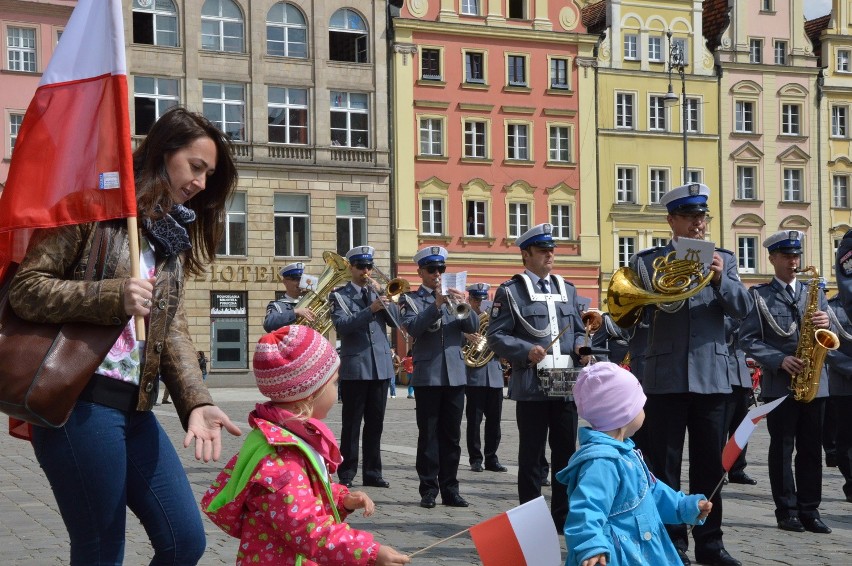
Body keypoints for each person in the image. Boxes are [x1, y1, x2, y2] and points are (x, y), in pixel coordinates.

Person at [7, 107, 243, 564]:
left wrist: (197, 401)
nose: (200, 183)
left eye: (208, 175)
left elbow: (170, 327)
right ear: (161, 153)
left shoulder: (169, 241)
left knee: (185, 540)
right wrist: (113, 295)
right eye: (195, 167)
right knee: (101, 548)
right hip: (78, 402)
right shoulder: (91, 208)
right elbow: (25, 290)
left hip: (135, 410)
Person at [202, 325, 410, 566]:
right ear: (310, 393)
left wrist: (341, 499)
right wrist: (368, 553)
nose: (337, 389)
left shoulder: (290, 437)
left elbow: (306, 491)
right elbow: (307, 529)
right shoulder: (282, 459)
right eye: (334, 383)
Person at [627, 183, 751, 566]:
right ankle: (671, 541)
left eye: (702, 217)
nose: (699, 224)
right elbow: (631, 315)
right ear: (672, 221)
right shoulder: (648, 263)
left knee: (710, 466)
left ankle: (710, 544)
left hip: (713, 377)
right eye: (690, 217)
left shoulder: (725, 260)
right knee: (663, 465)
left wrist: (719, 279)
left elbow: (745, 309)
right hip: (664, 376)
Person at [558, 362, 712, 566]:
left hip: (641, 551)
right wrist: (590, 546)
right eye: (640, 405)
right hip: (619, 555)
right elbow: (587, 507)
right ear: (624, 413)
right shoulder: (602, 461)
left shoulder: (627, 453)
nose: (643, 411)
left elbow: (651, 492)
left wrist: (685, 506)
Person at [486, 223, 587, 530]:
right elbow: (496, 336)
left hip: (565, 383)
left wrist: (583, 348)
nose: (550, 255)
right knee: (531, 455)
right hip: (532, 384)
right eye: (543, 251)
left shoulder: (566, 288)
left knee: (566, 455)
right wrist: (526, 349)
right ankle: (531, 519)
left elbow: (579, 331)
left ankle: (563, 515)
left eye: (551, 250)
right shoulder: (510, 291)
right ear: (526, 255)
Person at [739, 229, 833, 535]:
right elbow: (748, 339)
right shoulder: (760, 295)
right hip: (780, 383)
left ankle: (810, 509)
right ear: (772, 258)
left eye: (796, 256)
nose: (794, 262)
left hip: (815, 382)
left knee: (810, 449)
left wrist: (827, 321)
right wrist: (778, 359)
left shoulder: (813, 291)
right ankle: (786, 510)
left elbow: (833, 332)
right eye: (787, 256)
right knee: (782, 447)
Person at [399, 245, 478, 509]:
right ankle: (429, 489)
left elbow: (472, 327)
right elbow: (413, 328)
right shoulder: (409, 299)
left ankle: (451, 489)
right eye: (432, 269)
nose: (437, 273)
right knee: (429, 435)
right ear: (420, 271)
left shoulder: (456, 298)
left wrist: (464, 303)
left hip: (455, 375)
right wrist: (435, 305)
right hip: (428, 375)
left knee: (452, 437)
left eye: (441, 269)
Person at [329, 245, 399, 489]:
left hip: (380, 367)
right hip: (356, 368)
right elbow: (342, 326)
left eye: (369, 266)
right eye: (361, 266)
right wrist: (370, 309)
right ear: (351, 268)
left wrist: (385, 301)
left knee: (375, 424)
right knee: (351, 425)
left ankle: (373, 472)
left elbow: (397, 324)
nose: (366, 271)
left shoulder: (379, 292)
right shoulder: (340, 295)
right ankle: (346, 473)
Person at [463, 282, 507, 473]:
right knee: (474, 421)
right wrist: (467, 336)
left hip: (495, 374)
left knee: (494, 421)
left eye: (482, 299)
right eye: (476, 299)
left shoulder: (494, 319)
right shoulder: (464, 315)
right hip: (475, 376)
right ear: (470, 299)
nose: (480, 303)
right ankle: (475, 459)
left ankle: (492, 458)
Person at [722, 316, 757, 485]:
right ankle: (719, 469)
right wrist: (742, 319)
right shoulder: (719, 310)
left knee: (742, 428)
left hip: (741, 376)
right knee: (720, 429)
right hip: (721, 376)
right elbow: (722, 329)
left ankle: (737, 469)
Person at [263, 262, 315, 332]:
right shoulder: (276, 306)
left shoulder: (310, 302)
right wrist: (295, 312)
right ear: (285, 281)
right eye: (296, 279)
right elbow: (268, 324)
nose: (300, 283)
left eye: (301, 279)